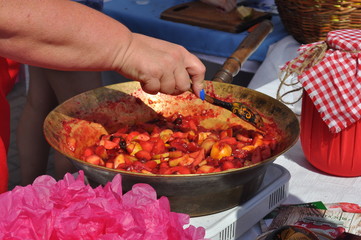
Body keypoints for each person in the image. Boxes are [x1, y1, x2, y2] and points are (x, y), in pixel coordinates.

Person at [0, 0, 205, 193]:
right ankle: (67, 200)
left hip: (43, 17)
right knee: (78, 125)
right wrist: (125, 48)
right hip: (63, 15)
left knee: (40, 103)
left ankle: (27, 193)